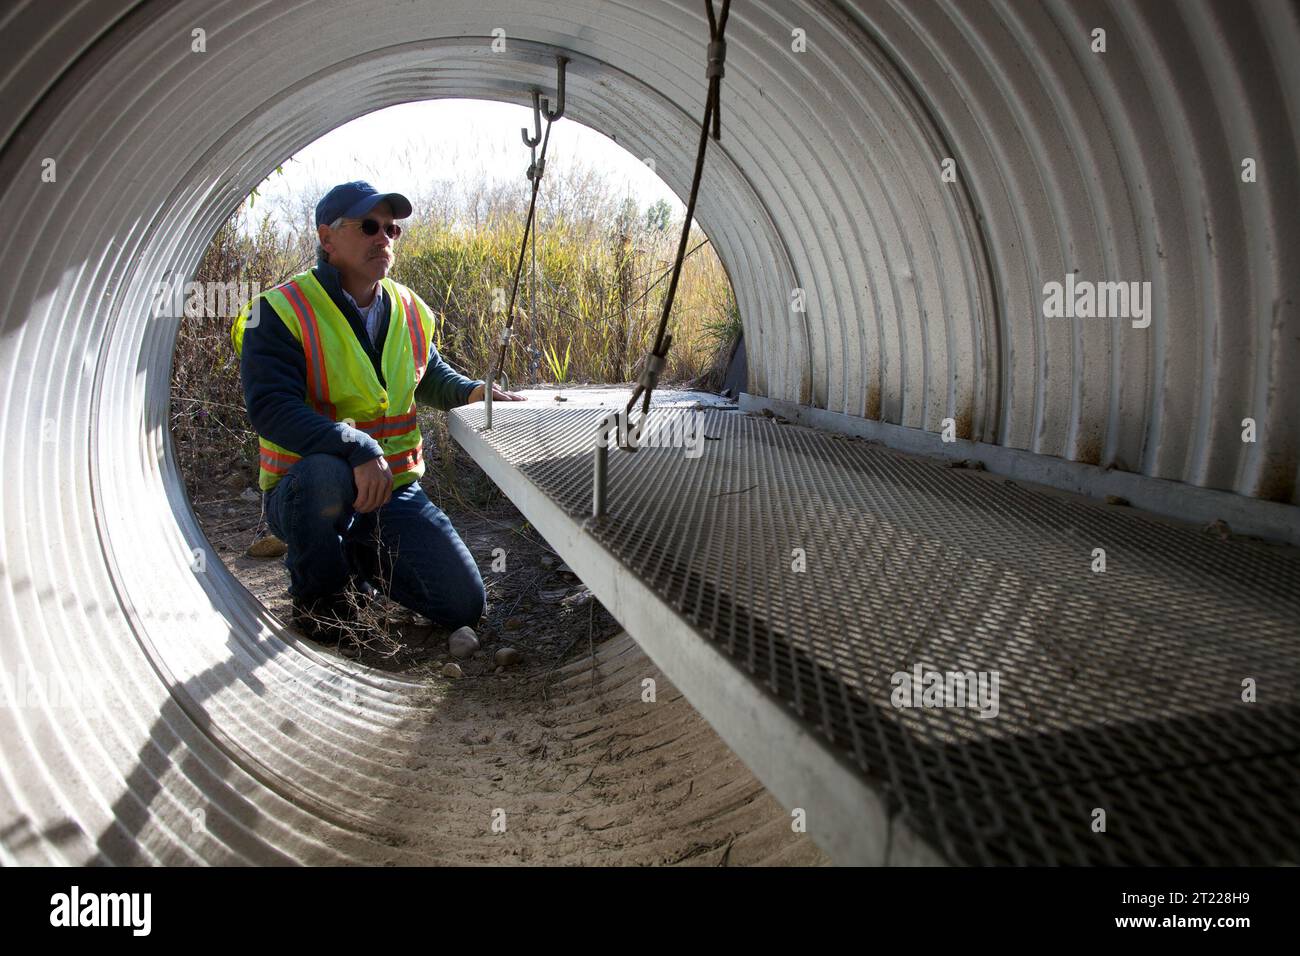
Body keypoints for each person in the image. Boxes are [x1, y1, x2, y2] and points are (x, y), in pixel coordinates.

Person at [230, 180, 524, 653]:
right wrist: (358, 448)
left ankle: (354, 556)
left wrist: (472, 392)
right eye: (368, 226)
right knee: (327, 474)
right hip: (308, 493)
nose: (383, 237)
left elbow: (426, 373)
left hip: (392, 491)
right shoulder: (279, 311)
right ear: (327, 239)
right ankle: (322, 602)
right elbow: (271, 408)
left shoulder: (408, 307)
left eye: (392, 229)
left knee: (463, 604)